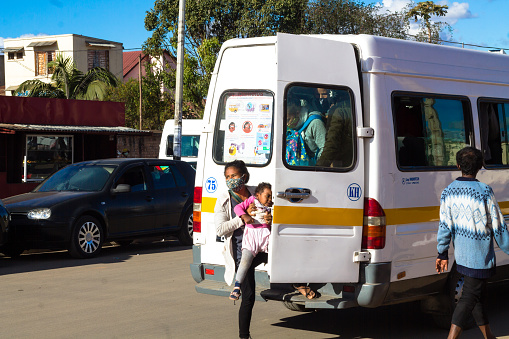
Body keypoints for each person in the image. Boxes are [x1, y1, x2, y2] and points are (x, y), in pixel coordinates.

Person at [436, 147, 509, 339]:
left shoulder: (448, 192)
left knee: (478, 298)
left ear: (458, 166)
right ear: (480, 167)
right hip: (479, 257)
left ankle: (489, 336)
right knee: (469, 298)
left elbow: (445, 225)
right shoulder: (484, 191)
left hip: (462, 256)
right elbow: (498, 225)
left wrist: (442, 253)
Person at [215, 160, 271, 339]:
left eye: (234, 176)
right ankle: (244, 336)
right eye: (227, 177)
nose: (230, 180)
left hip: (263, 245)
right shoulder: (224, 200)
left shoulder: (258, 193)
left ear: (244, 177)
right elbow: (220, 229)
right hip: (243, 251)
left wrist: (270, 216)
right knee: (249, 296)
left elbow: (273, 207)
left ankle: (299, 285)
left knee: (284, 260)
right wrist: (243, 218)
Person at [229, 182, 273, 301]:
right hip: (251, 237)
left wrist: (272, 219)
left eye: (271, 196)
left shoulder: (272, 206)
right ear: (257, 195)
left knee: (275, 257)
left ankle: (278, 282)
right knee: (245, 262)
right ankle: (237, 287)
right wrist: (244, 216)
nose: (270, 199)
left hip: (266, 236)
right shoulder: (252, 201)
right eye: (267, 196)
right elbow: (237, 208)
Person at [286, 96, 326, 165]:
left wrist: (318, 167)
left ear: (297, 113)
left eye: (288, 120)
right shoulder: (292, 128)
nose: (287, 124)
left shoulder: (315, 123)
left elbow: (325, 149)